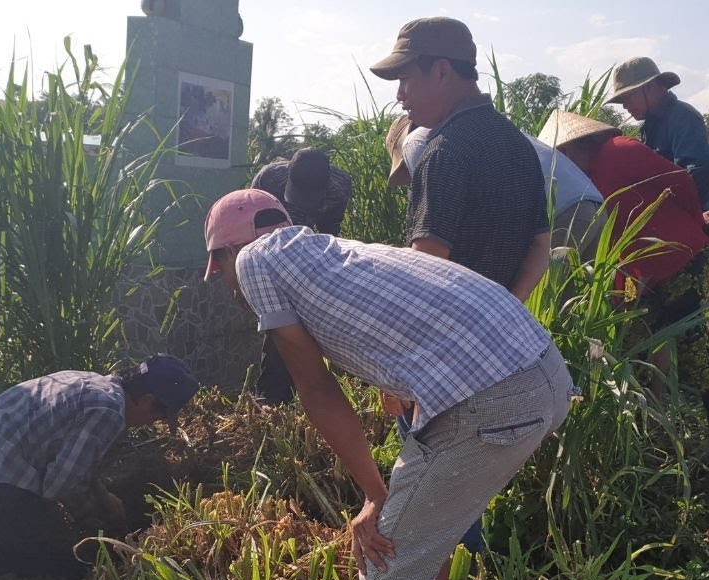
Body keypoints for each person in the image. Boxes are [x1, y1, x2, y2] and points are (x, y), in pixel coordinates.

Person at [203, 189, 571, 580]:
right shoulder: (331, 256)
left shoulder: (258, 259)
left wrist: (377, 497)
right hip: (535, 372)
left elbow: (317, 390)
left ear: (225, 254)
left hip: (497, 396)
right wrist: (387, 486)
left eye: (220, 271)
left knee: (388, 564)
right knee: (424, 544)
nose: (229, 288)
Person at [0, 355, 199, 580]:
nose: (152, 424)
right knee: (66, 563)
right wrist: (90, 525)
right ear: (147, 401)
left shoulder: (87, 382)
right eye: (158, 417)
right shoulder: (109, 411)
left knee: (18, 531)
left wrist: (103, 495)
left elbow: (67, 460)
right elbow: (59, 486)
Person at [539, 109, 709, 426]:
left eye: (561, 153)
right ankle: (650, 417)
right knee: (639, 337)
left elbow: (680, 180)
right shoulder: (582, 180)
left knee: (689, 342)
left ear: (574, 145)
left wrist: (698, 220)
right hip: (641, 270)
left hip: (678, 256)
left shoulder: (620, 150)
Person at [371, 16, 549, 299]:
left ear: (442, 71)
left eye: (405, 78)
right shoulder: (517, 143)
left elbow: (427, 265)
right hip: (502, 324)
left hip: (450, 331)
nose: (399, 94)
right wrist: (509, 308)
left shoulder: (444, 150)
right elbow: (540, 244)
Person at [390, 119, 606, 253]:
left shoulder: (417, 140)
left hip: (560, 215)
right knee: (576, 309)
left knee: (538, 308)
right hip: (593, 204)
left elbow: (436, 226)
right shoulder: (474, 127)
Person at [249, 148, 353, 404]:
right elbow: (249, 225)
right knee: (278, 325)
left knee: (302, 325)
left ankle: (299, 396)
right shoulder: (269, 179)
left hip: (307, 253)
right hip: (270, 252)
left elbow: (330, 237)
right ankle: (271, 399)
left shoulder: (338, 188)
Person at [606, 56, 709, 211]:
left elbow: (695, 174)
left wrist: (693, 216)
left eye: (628, 97)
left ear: (650, 87)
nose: (624, 106)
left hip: (686, 219)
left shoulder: (683, 117)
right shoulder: (650, 125)